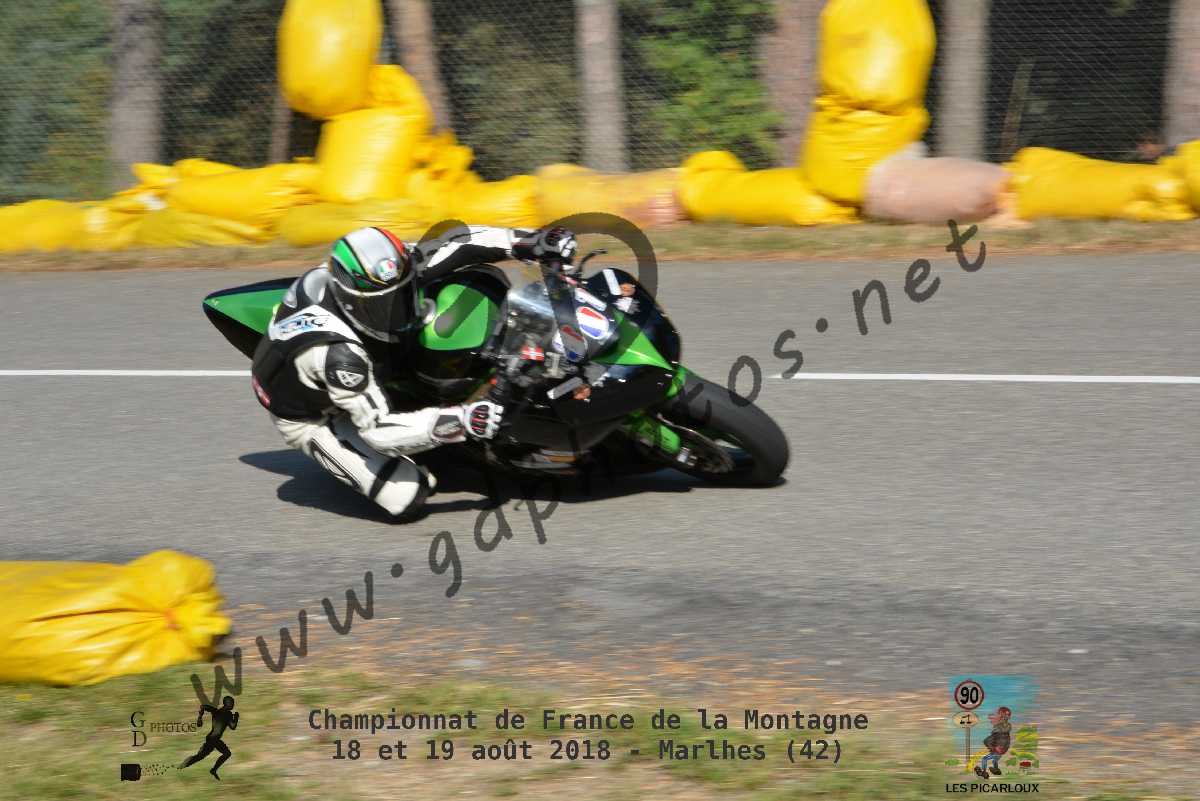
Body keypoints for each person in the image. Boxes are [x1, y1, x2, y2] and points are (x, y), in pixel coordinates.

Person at [250, 224, 578, 519]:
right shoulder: (341, 356)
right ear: (351, 302)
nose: (400, 309)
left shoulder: (392, 268)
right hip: (312, 417)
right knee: (405, 496)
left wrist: (532, 241)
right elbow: (379, 431)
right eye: (383, 305)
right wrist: (464, 421)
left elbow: (461, 242)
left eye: (404, 293)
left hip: (357, 353)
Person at [180, 695, 239, 780]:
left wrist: (200, 716)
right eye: (232, 703)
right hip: (213, 739)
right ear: (227, 703)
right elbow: (233, 726)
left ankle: (213, 770)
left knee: (224, 754)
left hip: (213, 738)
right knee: (201, 756)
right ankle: (183, 765)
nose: (233, 705)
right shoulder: (228, 714)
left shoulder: (217, 711)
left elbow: (203, 706)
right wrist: (236, 718)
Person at [975, 706, 1012, 778]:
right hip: (1002, 750)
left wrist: (991, 747)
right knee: (995, 760)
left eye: (1000, 715)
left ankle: (984, 772)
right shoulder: (1007, 729)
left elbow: (990, 740)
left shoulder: (999, 730)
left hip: (998, 750)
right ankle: (996, 769)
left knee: (984, 759)